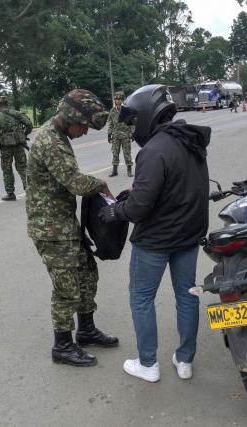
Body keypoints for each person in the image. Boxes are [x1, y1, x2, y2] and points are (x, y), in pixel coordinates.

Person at [99, 84, 210, 382]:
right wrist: (136, 192)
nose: (134, 129)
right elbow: (180, 187)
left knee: (142, 298)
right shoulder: (190, 141)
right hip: (188, 236)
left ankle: (148, 364)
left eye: (135, 121)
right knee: (187, 296)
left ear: (149, 115)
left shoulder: (153, 150)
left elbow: (138, 209)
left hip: (156, 241)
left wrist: (115, 211)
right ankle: (184, 360)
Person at [26, 89, 118, 367]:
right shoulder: (50, 141)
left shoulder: (59, 136)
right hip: (51, 229)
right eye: (85, 126)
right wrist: (101, 185)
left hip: (64, 223)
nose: (86, 131)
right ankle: (63, 346)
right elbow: (75, 183)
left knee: (87, 274)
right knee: (67, 288)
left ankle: (86, 330)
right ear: (71, 118)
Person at [0, 96, 33, 201]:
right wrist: (23, 134)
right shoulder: (16, 114)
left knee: (7, 170)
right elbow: (29, 125)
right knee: (23, 167)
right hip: (18, 145)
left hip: (5, 148)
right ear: (7, 103)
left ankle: (10, 193)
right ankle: (30, 191)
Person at [107, 91, 134, 177]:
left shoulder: (127, 110)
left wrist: (133, 133)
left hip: (126, 135)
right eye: (116, 99)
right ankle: (115, 171)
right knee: (115, 153)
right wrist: (109, 134)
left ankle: (129, 170)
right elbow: (110, 123)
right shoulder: (112, 111)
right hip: (115, 135)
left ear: (122, 100)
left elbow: (132, 122)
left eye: (119, 99)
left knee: (127, 153)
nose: (117, 101)